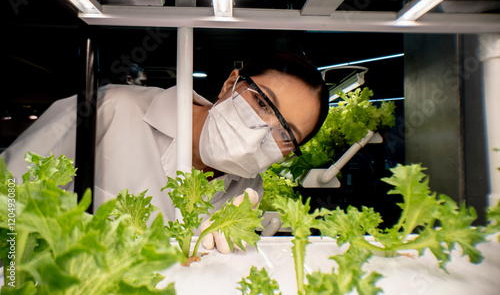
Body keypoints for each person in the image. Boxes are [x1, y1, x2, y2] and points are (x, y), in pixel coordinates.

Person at [1, 52, 329, 240]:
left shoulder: (247, 188)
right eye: (262, 103)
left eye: (286, 135)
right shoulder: (112, 107)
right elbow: (8, 193)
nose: (262, 132)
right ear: (230, 83)